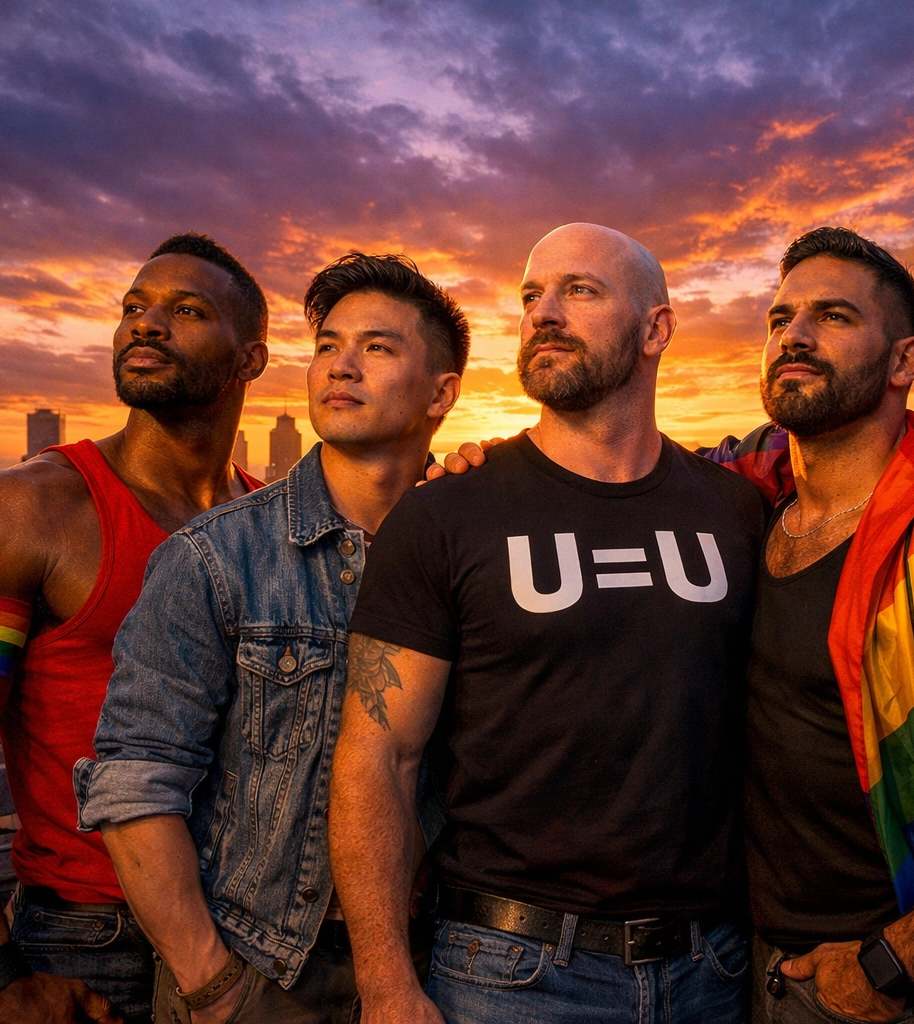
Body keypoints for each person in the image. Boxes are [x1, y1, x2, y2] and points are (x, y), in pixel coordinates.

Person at [434, 227, 914, 1023]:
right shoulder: (752, 505)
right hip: (735, 970)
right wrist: (502, 474)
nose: (793, 334)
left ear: (904, 364)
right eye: (780, 318)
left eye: (833, 316)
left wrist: (889, 964)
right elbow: (629, 471)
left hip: (897, 985)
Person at [329, 223, 764, 1024]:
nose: (544, 313)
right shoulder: (448, 514)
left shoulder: (737, 511)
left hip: (715, 968)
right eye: (531, 296)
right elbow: (377, 756)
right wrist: (386, 983)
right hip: (511, 973)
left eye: (580, 291)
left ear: (656, 329)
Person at [0, 233, 268, 1024]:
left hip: (256, 938)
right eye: (134, 308)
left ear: (251, 359)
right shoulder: (21, 512)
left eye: (185, 311)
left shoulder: (270, 521)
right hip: (89, 943)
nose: (145, 325)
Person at [75, 253, 466, 1024]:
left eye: (377, 348)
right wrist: (212, 984)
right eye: (327, 346)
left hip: (437, 960)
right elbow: (133, 785)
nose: (339, 367)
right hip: (261, 968)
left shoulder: (473, 556)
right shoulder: (215, 558)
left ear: (442, 393)